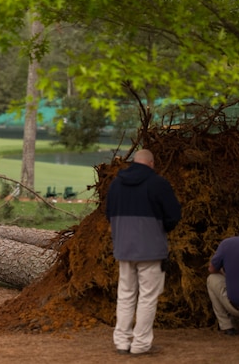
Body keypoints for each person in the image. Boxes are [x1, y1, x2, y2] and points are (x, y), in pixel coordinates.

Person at [105, 149, 181, 356]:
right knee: (147, 298)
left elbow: (109, 215)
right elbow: (174, 215)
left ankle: (121, 341)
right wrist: (160, 229)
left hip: (123, 248)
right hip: (151, 249)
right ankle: (140, 344)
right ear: (151, 163)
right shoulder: (159, 184)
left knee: (126, 295)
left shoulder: (116, 184)